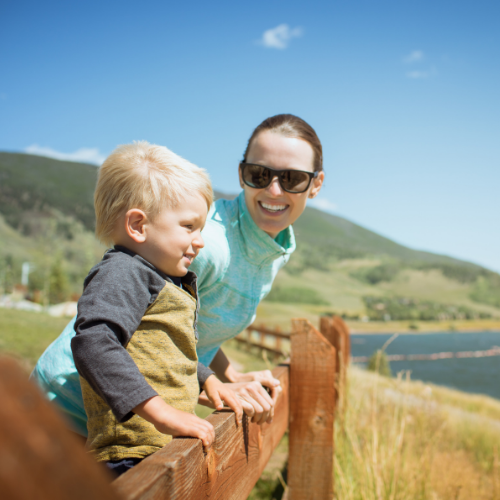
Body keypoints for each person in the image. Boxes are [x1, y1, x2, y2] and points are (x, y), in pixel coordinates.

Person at [31, 113, 325, 435]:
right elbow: (117, 330)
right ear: (242, 174)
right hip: (74, 409)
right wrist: (167, 408)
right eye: (259, 173)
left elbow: (186, 327)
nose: (274, 190)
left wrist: (227, 376)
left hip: (124, 422)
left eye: (293, 178)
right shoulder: (205, 245)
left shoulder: (271, 246)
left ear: (315, 184)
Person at [70, 141, 242, 476]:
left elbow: (162, 352)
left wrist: (206, 379)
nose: (200, 240)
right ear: (137, 225)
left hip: (158, 452)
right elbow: (93, 342)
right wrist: (162, 413)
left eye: (202, 228)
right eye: (189, 226)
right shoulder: (123, 272)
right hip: (129, 457)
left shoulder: (159, 279)